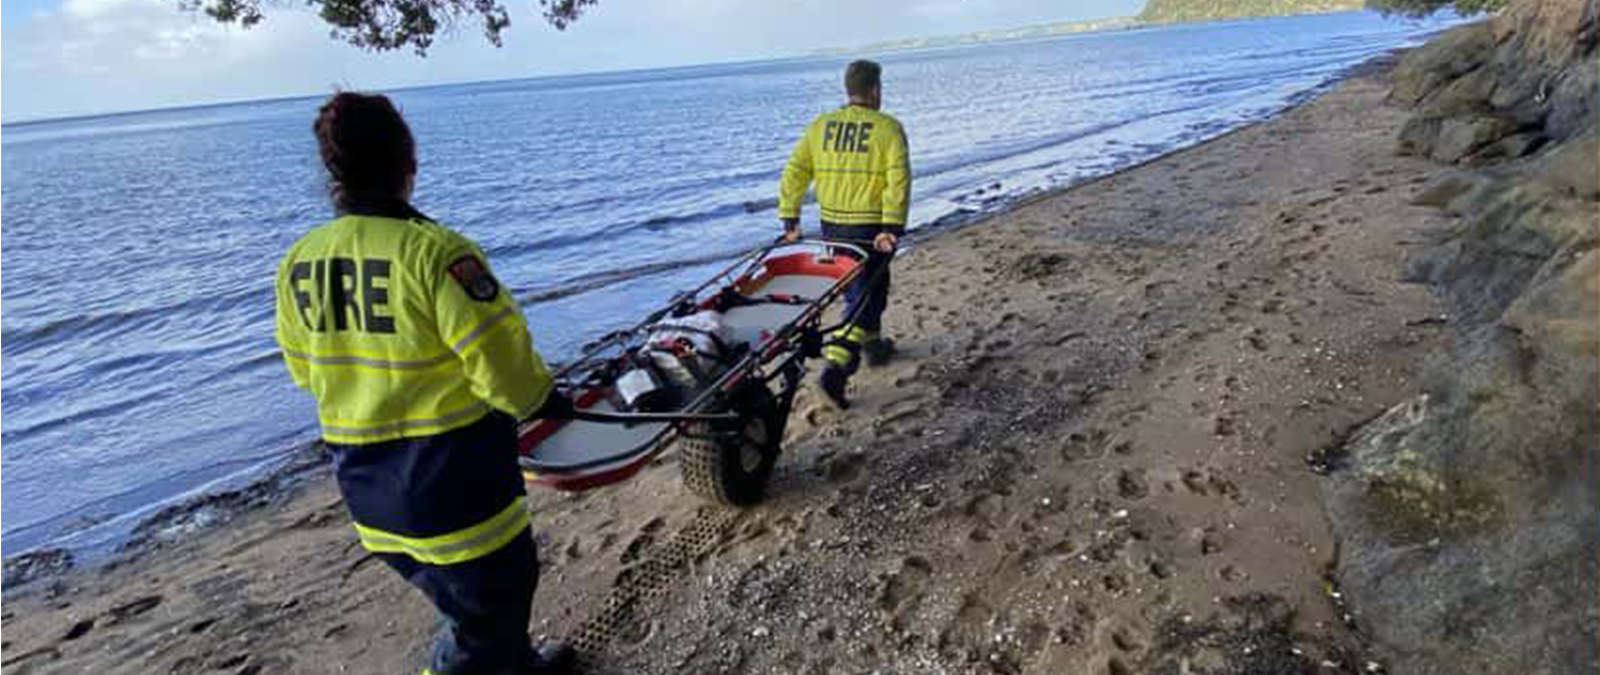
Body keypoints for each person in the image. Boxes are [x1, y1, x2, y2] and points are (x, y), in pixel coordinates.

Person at [274, 92, 575, 675]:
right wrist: (545, 400)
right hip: (456, 487)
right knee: (493, 613)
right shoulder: (437, 254)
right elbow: (507, 373)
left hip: (368, 493)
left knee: (464, 604)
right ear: (408, 162)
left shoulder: (299, 260)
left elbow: (304, 371)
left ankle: (515, 663)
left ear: (332, 170)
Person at [777, 59, 911, 408]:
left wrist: (789, 217)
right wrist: (892, 227)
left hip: (832, 227)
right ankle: (836, 366)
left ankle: (875, 347)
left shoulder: (820, 126)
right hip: (870, 228)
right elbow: (898, 183)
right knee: (866, 297)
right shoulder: (888, 128)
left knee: (864, 289)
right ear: (876, 90)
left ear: (848, 89)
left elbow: (795, 172)